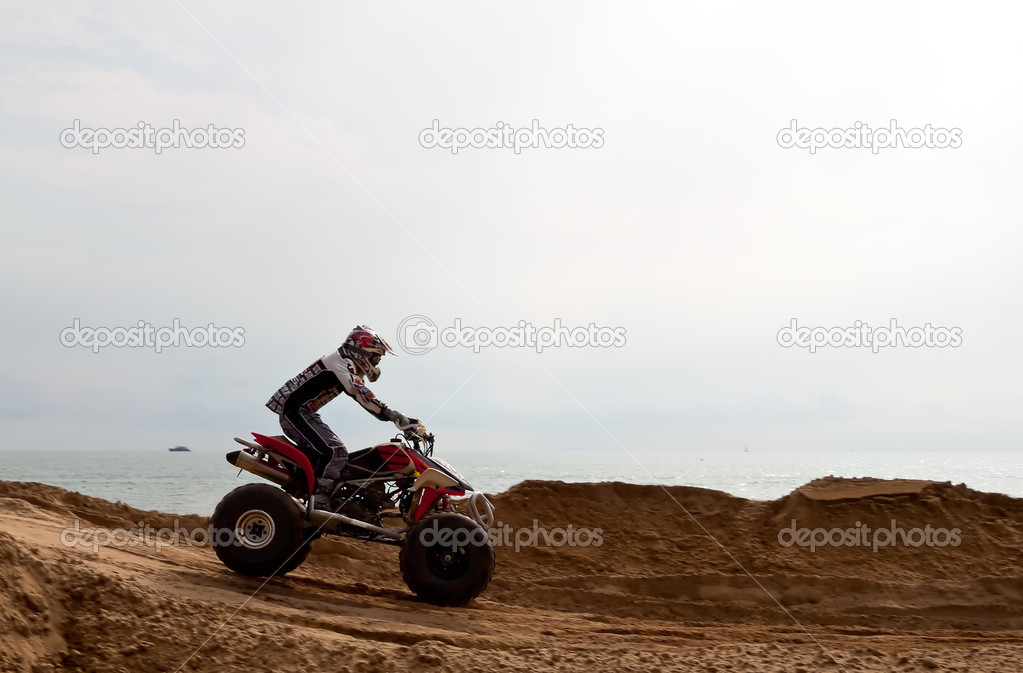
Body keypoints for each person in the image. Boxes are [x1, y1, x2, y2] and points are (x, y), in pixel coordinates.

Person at [266, 325, 425, 507]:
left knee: (336, 451)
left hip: (304, 413)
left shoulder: (343, 361)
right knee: (335, 451)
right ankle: (319, 500)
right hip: (293, 412)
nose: (376, 363)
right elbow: (361, 393)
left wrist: (392, 418)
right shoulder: (339, 362)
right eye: (376, 357)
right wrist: (393, 415)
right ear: (362, 350)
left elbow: (361, 397)